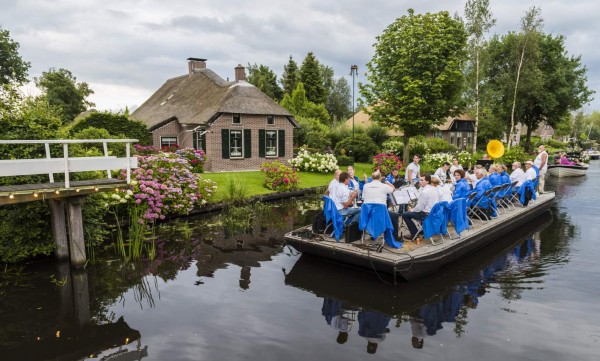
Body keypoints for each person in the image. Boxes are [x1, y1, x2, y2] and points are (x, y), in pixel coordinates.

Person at [362, 171, 401, 240]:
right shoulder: (384, 186)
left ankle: (372, 233)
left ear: (371, 177)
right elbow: (393, 189)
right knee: (395, 215)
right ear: (380, 178)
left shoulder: (365, 186)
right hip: (381, 214)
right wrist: (387, 182)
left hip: (368, 214)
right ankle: (394, 237)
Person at [402, 175, 439, 240]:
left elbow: (419, 209)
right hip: (435, 213)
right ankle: (423, 230)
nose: (419, 181)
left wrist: (411, 210)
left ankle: (414, 234)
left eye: (422, 180)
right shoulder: (435, 189)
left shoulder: (424, 192)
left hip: (427, 215)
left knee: (405, 214)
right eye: (420, 179)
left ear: (427, 181)